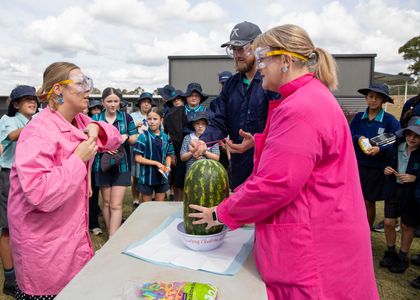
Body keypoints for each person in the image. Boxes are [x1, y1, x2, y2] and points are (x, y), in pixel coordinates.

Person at [188, 24, 379, 299]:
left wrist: (220, 213)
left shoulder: (300, 108)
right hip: (322, 228)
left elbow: (276, 183)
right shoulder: (308, 97)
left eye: (264, 57)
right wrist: (262, 144)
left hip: (312, 243)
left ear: (287, 61)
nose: (261, 65)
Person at [7, 62, 121, 298]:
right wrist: (78, 161)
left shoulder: (79, 121)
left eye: (87, 81)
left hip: (69, 237)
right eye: (81, 83)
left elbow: (114, 139)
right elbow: (40, 193)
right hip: (44, 247)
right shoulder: (38, 132)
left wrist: (94, 125)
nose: (88, 89)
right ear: (58, 89)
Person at [192, 21, 279, 190]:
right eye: (233, 49)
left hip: (268, 168)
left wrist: (257, 142)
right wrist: (203, 142)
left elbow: (281, 126)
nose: (237, 55)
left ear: (258, 46)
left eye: (241, 49)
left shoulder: (272, 83)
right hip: (239, 170)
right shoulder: (231, 85)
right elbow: (219, 121)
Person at [0, 85, 38, 297]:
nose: (32, 103)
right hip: (9, 177)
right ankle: (10, 278)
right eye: (26, 100)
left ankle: (28, 273)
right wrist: (39, 124)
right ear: (15, 104)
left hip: (31, 177)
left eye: (33, 99)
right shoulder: (8, 121)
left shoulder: (38, 117)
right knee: (7, 229)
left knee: (28, 226)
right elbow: (14, 136)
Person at [350, 83, 400, 229]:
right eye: (371, 97)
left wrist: (380, 149)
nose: (373, 100)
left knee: (368, 201)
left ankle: (367, 232)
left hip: (376, 168)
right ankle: (355, 230)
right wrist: (358, 138)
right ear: (366, 98)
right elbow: (349, 135)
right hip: (357, 165)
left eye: (378, 98)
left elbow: (397, 140)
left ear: (384, 101)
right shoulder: (359, 117)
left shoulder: (390, 120)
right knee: (355, 200)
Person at [92, 88, 138, 237]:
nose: (112, 104)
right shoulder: (96, 119)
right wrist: (103, 147)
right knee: (106, 203)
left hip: (122, 165)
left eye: (116, 101)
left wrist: (125, 136)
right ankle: (111, 233)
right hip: (102, 165)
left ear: (120, 102)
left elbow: (134, 139)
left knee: (116, 204)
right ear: (103, 102)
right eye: (109, 101)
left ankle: (113, 237)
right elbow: (90, 141)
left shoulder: (126, 118)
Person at [380, 116, 420, 274]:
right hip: (393, 189)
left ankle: (403, 256)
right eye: (410, 134)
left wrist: (415, 178)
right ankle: (391, 252)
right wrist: (387, 169)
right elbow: (386, 162)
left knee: (406, 225)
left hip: (410, 193)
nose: (412, 138)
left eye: (417, 136)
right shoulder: (397, 146)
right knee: (389, 222)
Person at [134, 107, 174, 202]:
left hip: (162, 178)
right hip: (146, 177)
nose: (152, 122)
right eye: (149, 119)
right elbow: (138, 158)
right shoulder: (143, 137)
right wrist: (156, 163)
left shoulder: (166, 137)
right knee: (146, 207)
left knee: (159, 207)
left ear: (161, 120)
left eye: (155, 119)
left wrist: (167, 167)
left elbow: (169, 154)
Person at [130, 92, 154, 208]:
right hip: (137, 148)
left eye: (148, 102)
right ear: (139, 104)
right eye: (144, 102)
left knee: (148, 174)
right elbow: (128, 132)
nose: (146, 105)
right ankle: (135, 199)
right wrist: (135, 126)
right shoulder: (133, 116)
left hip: (150, 150)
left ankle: (148, 197)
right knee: (136, 175)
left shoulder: (154, 115)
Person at [162, 89, 186, 201]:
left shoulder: (188, 112)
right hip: (175, 150)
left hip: (189, 149)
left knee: (186, 181)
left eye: (179, 99)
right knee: (177, 181)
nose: (177, 101)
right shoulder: (168, 115)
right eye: (174, 100)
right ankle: (177, 202)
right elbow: (168, 136)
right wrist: (171, 154)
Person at [87, 99, 103, 236]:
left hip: (95, 165)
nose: (96, 111)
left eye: (99, 108)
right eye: (94, 109)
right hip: (81, 164)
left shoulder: (96, 125)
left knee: (93, 194)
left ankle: (93, 222)